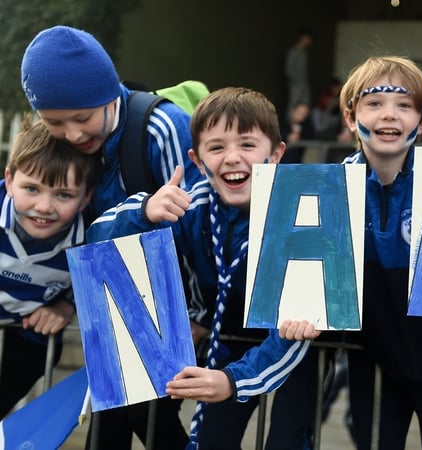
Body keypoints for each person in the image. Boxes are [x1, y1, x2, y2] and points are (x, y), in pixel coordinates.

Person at [86, 86, 315, 449]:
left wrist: (234, 381)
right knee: (203, 438)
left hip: (292, 352)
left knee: (286, 441)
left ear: (276, 154)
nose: (232, 158)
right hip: (222, 346)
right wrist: (144, 211)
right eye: (217, 147)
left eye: (247, 144)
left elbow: (297, 333)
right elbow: (95, 240)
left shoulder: (302, 216)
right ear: (197, 160)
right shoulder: (192, 208)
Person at [20, 24, 203, 449]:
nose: (73, 134)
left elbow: (197, 227)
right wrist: (68, 301)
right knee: (109, 432)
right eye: (55, 122)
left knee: (149, 422)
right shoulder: (62, 142)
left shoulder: (161, 128)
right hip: (111, 306)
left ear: (109, 95)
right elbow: (69, 233)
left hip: (174, 307)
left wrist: (199, 315)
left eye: (83, 118)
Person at [334, 55, 422, 450]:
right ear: (350, 116)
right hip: (372, 358)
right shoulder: (331, 191)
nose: (389, 114)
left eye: (404, 105)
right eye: (374, 103)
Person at [0, 119, 100, 419]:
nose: (44, 207)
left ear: (86, 198)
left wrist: (65, 307)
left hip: (27, 331)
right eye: (31, 188)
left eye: (63, 195)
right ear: (9, 180)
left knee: (40, 353)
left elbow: (96, 283)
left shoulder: (92, 237)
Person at [284, 28, 313, 120]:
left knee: (305, 103)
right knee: (293, 104)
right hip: (295, 83)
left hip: (304, 82)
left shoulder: (304, 53)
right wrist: (296, 80)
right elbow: (288, 69)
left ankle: (302, 125)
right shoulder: (293, 51)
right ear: (303, 37)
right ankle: (289, 124)